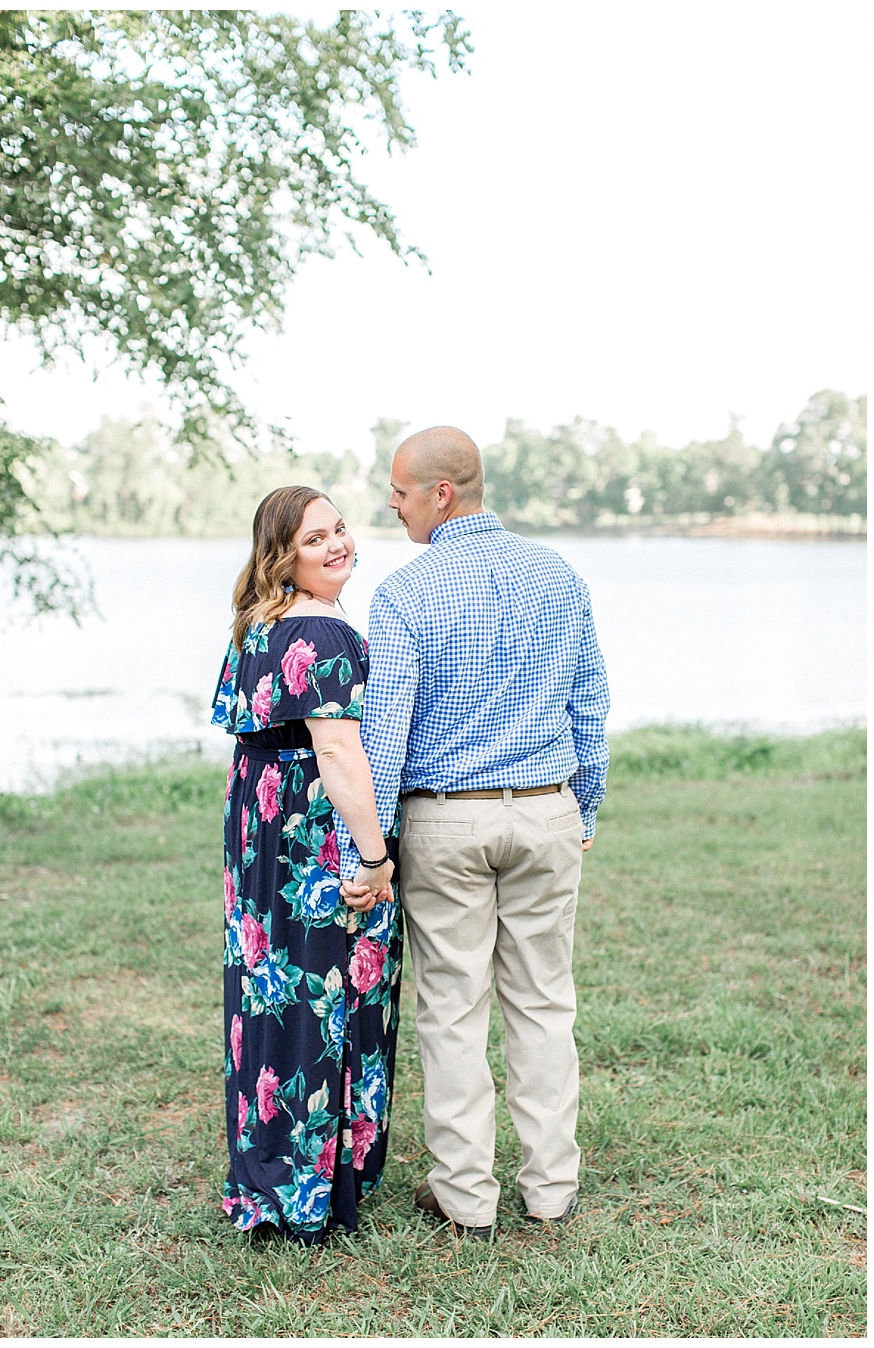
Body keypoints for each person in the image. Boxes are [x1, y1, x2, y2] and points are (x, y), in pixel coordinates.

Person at [346, 425, 609, 1241]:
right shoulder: (558, 576)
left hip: (445, 823)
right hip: (544, 809)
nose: (390, 505)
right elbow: (590, 707)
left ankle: (466, 1198)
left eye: (400, 490)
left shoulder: (405, 594)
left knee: (453, 1009)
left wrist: (376, 848)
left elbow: (384, 735)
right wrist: (585, 808)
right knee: (543, 1002)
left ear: (442, 493)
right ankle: (550, 1191)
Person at [211, 486, 402, 1242]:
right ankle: (315, 1186)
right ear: (282, 553)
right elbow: (338, 753)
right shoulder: (322, 633)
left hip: (259, 825)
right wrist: (374, 852)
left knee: (270, 986)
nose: (337, 545)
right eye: (315, 538)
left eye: (341, 530)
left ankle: (270, 1171)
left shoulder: (257, 624)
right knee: (327, 987)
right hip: (314, 831)